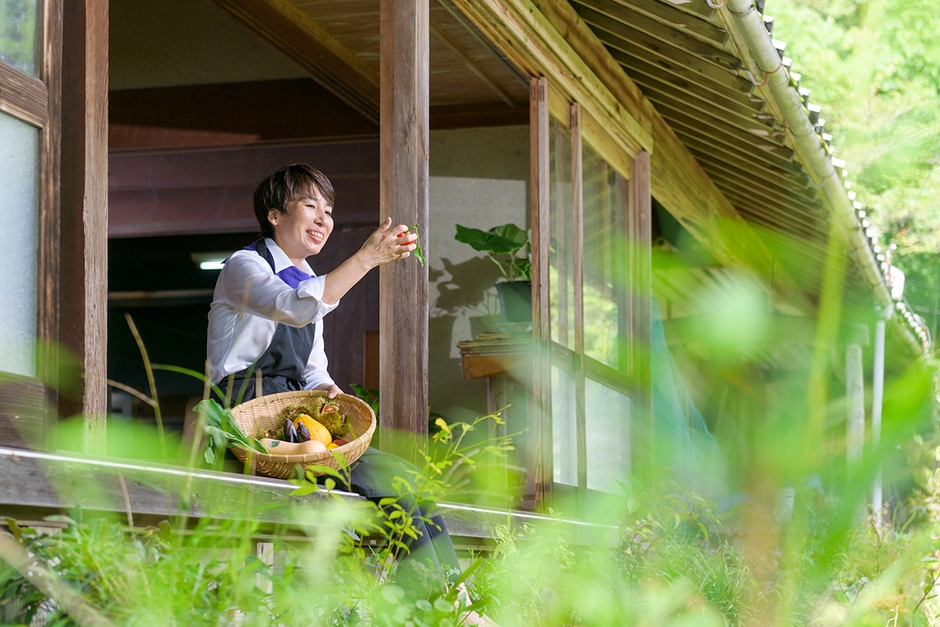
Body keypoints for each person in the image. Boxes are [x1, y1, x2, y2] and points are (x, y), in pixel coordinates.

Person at [206, 163, 465, 582]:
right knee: (381, 488)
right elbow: (295, 306)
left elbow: (312, 370)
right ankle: (444, 602)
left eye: (328, 209)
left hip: (296, 415)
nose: (324, 219)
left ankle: (452, 597)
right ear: (275, 215)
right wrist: (367, 258)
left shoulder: (312, 278)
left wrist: (328, 390)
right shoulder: (244, 265)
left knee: (403, 477)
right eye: (310, 205)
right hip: (246, 416)